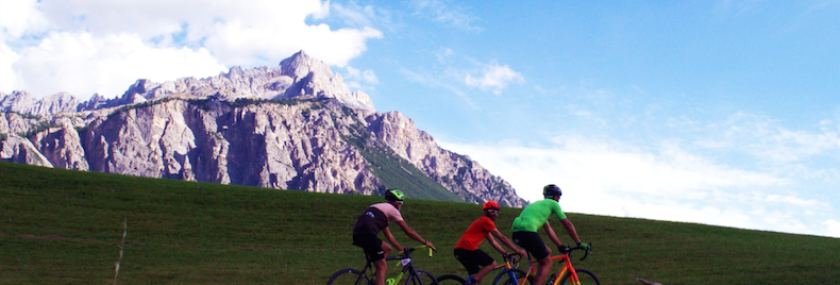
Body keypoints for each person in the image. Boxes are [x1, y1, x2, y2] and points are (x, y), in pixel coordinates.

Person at [352, 189, 437, 285]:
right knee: (382, 268)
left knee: (387, 249)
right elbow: (408, 231)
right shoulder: (393, 210)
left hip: (358, 234)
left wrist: (400, 249)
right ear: (398, 204)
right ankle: (379, 274)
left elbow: (388, 235)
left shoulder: (380, 208)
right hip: (368, 235)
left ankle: (376, 277)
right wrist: (425, 242)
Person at [511, 184, 590, 285]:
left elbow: (549, 229)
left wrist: (560, 246)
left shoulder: (538, 206)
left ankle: (537, 279)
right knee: (547, 263)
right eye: (559, 198)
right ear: (556, 197)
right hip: (528, 231)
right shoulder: (553, 204)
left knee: (547, 252)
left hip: (516, 233)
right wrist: (578, 242)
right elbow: (567, 224)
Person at [454, 201, 528, 285]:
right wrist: (517, 250)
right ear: (486, 211)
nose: (495, 214)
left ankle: (473, 282)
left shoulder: (483, 222)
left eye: (496, 212)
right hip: (467, 248)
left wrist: (505, 253)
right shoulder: (486, 221)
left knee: (478, 274)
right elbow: (501, 237)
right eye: (492, 211)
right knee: (492, 263)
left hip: (459, 250)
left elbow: (493, 242)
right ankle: (473, 282)